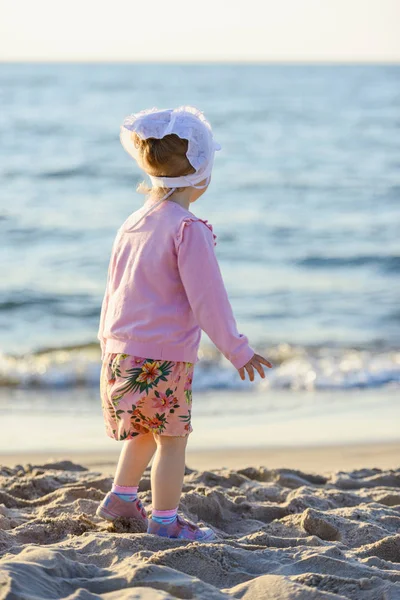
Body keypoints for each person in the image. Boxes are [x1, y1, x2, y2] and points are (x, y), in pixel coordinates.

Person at [96, 106, 272, 541]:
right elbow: (208, 299)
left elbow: (113, 291)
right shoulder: (186, 229)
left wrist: (107, 345)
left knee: (142, 428)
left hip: (120, 353)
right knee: (171, 439)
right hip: (164, 360)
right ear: (201, 176)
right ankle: (164, 521)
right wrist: (237, 348)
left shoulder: (132, 223)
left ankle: (121, 496)